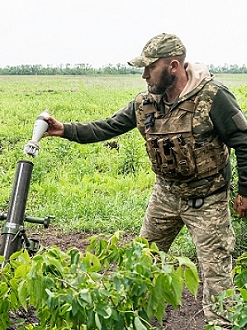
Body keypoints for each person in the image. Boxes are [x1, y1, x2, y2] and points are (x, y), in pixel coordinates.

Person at [43, 33, 247, 327]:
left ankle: (223, 324)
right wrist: (66, 130)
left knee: (217, 279)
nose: (144, 75)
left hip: (208, 201)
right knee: (141, 263)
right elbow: (108, 127)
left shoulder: (213, 96)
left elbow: (243, 140)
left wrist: (245, 192)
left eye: (150, 68)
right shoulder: (145, 103)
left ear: (173, 66)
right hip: (165, 197)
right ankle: (129, 319)